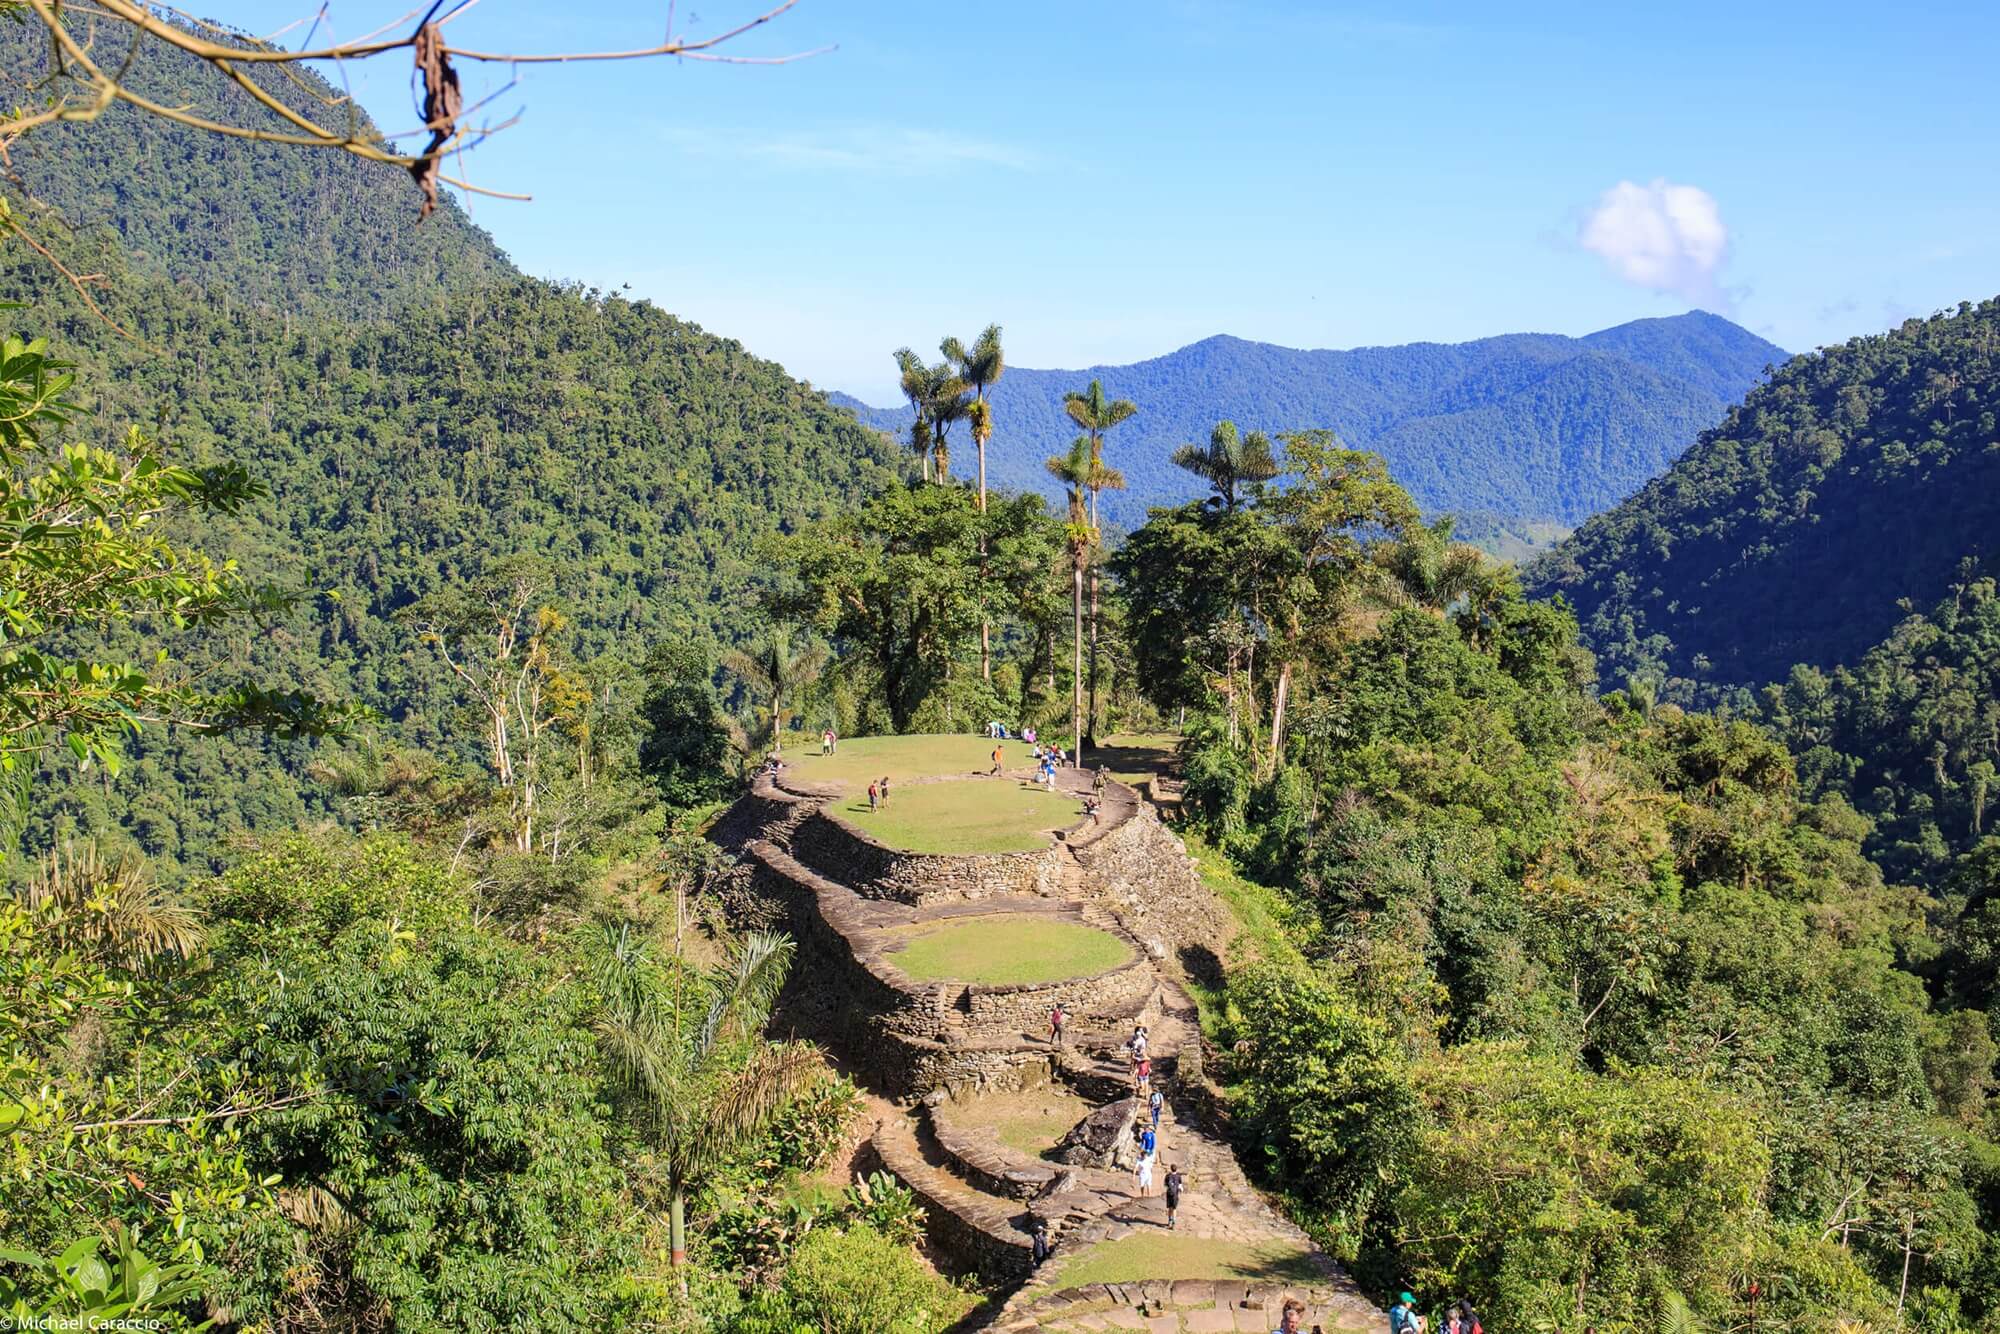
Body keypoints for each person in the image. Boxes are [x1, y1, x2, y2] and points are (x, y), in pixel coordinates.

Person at [1163, 1162, 1184, 1229]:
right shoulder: (1178, 1176)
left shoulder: (1168, 1176)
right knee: (1174, 1209)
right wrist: (1181, 1189)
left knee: (1170, 1208)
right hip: (1175, 1194)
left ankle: (1169, 1221)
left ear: (1171, 1169)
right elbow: (1180, 1185)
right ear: (1176, 1169)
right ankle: (1174, 1222)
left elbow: (1165, 1185)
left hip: (1169, 1193)